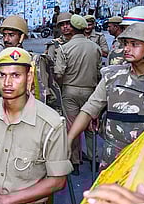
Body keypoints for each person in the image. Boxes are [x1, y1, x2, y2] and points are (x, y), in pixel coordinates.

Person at [0, 47, 72, 204]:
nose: (7, 83)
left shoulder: (51, 124)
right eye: (2, 75)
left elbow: (57, 181)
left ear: (29, 77)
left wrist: (3, 199)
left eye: (15, 75)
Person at [67, 22, 144, 170]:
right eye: (126, 43)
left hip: (142, 160)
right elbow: (90, 108)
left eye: (134, 44)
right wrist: (69, 139)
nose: (127, 49)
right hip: (112, 155)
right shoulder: (112, 75)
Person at [54, 14, 101, 175]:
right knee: (90, 126)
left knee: (72, 126)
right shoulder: (95, 47)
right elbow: (98, 71)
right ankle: (93, 157)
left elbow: (58, 73)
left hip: (70, 91)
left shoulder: (64, 48)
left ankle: (74, 162)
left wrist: (61, 86)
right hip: (90, 91)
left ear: (72, 29)